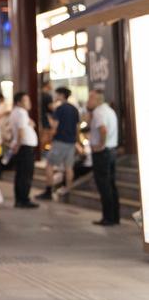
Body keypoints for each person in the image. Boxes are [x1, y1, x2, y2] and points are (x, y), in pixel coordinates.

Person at [38, 87, 79, 201]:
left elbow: (54, 127)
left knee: (49, 165)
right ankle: (68, 190)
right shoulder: (74, 109)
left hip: (60, 141)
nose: (55, 96)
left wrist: (50, 132)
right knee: (69, 167)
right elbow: (77, 128)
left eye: (56, 94)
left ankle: (48, 191)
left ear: (61, 95)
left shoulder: (59, 109)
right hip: (71, 142)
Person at [87, 89, 120, 225]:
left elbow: (103, 130)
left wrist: (101, 144)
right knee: (111, 184)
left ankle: (108, 218)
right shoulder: (109, 111)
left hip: (103, 153)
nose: (89, 101)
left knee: (104, 185)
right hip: (111, 151)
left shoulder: (99, 112)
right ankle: (114, 216)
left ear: (97, 99)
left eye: (90, 98)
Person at [8, 92, 39, 208]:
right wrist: (19, 145)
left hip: (22, 147)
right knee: (25, 175)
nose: (29, 103)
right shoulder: (21, 113)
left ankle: (20, 199)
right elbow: (21, 131)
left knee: (21, 174)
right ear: (19, 102)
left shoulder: (17, 112)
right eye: (26, 100)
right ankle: (23, 199)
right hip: (24, 147)